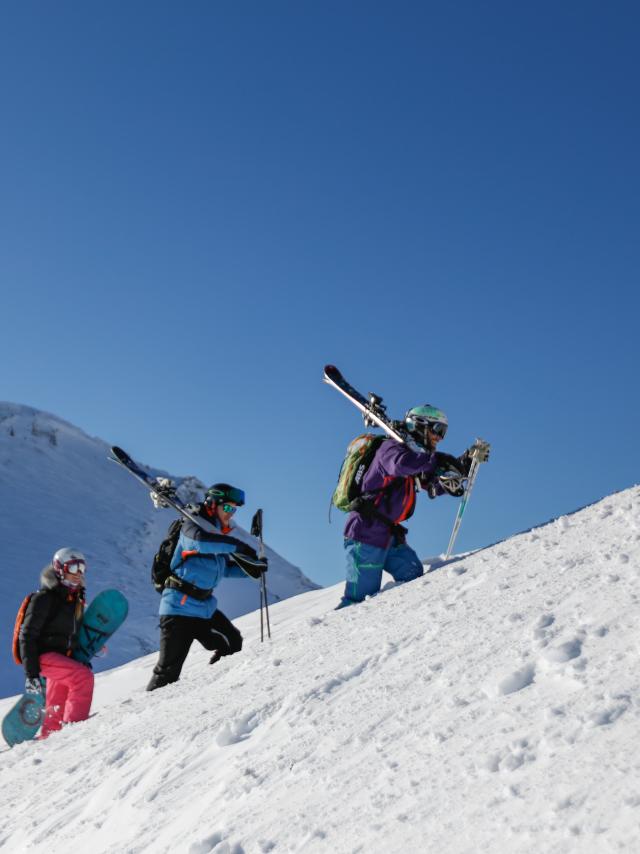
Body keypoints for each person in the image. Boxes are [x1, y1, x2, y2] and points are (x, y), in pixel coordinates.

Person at [337, 405, 489, 608]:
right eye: (437, 430)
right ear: (420, 425)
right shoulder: (391, 449)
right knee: (359, 601)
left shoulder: (416, 456)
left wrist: (462, 465)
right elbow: (400, 464)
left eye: (443, 432)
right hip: (365, 533)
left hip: (389, 535)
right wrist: (437, 460)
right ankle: (338, 633)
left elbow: (433, 485)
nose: (440, 438)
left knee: (412, 574)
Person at [146, 483, 267, 691]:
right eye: (227, 508)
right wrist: (240, 547)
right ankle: (145, 715)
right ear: (213, 505)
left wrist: (253, 569)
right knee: (168, 672)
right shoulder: (191, 526)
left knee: (232, 643)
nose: (231, 514)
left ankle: (212, 693)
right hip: (178, 610)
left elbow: (223, 569)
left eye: (234, 509)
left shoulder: (218, 535)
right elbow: (200, 542)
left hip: (204, 609)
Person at [19, 548, 94, 738]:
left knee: (57, 704)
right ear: (60, 569)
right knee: (83, 678)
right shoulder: (44, 598)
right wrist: (31, 674)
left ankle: (50, 740)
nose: (79, 574)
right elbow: (27, 635)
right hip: (43, 656)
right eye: (74, 567)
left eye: (82, 568)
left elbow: (71, 631)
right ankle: (73, 733)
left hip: (61, 657)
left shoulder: (74, 598)